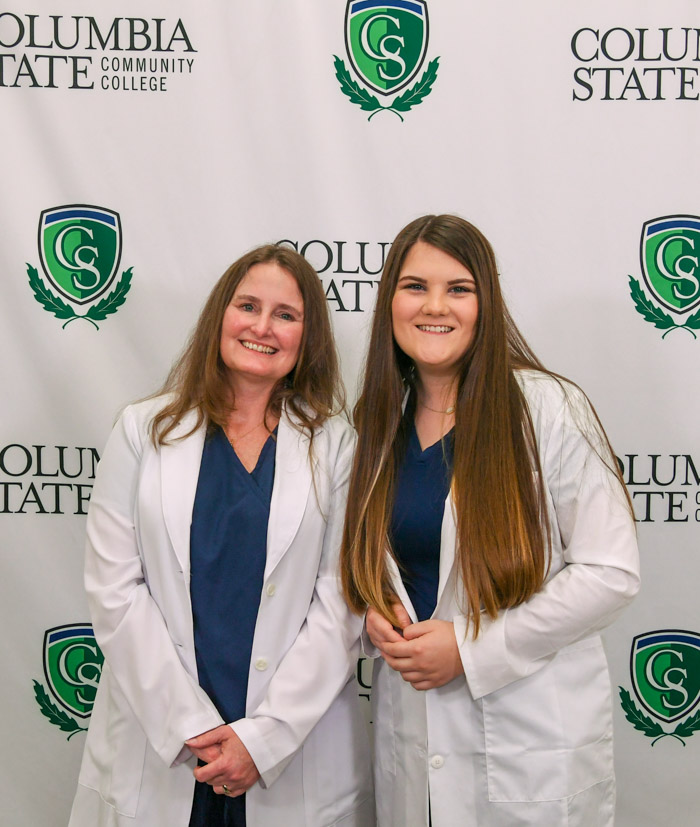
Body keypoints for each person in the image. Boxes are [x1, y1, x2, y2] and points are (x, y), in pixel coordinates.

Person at [340, 214, 640, 826]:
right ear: (389, 301)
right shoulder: (374, 420)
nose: (435, 306)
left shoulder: (548, 407)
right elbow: (372, 561)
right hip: (412, 743)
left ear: (486, 303)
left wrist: (473, 649)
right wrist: (368, 607)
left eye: (459, 288)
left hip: (525, 743)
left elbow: (610, 572)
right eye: (414, 286)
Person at [69, 244, 373, 827]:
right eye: (248, 306)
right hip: (166, 744)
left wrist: (263, 740)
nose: (263, 326)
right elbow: (114, 590)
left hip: (286, 750)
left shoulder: (337, 446)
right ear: (219, 318)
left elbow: (341, 603)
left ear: (307, 338)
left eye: (287, 315)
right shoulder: (143, 431)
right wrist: (193, 727)